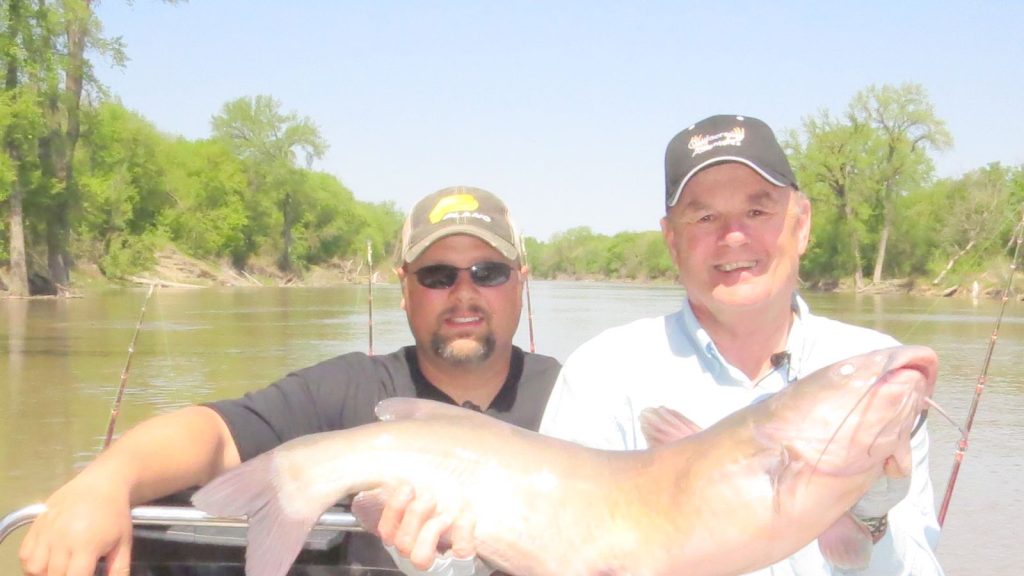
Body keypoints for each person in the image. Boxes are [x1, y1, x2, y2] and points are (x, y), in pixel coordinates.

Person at [379, 115, 943, 575]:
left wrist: (872, 518)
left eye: (757, 209)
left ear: (800, 223)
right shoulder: (607, 370)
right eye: (704, 216)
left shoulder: (875, 375)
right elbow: (545, 547)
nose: (734, 236)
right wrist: (431, 556)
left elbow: (917, 568)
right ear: (671, 239)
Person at [18, 185, 561, 576]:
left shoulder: (580, 398)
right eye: (437, 276)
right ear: (404, 289)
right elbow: (212, 433)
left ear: (521, 283)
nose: (463, 294)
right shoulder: (349, 388)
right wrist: (107, 481)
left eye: (487, 273)